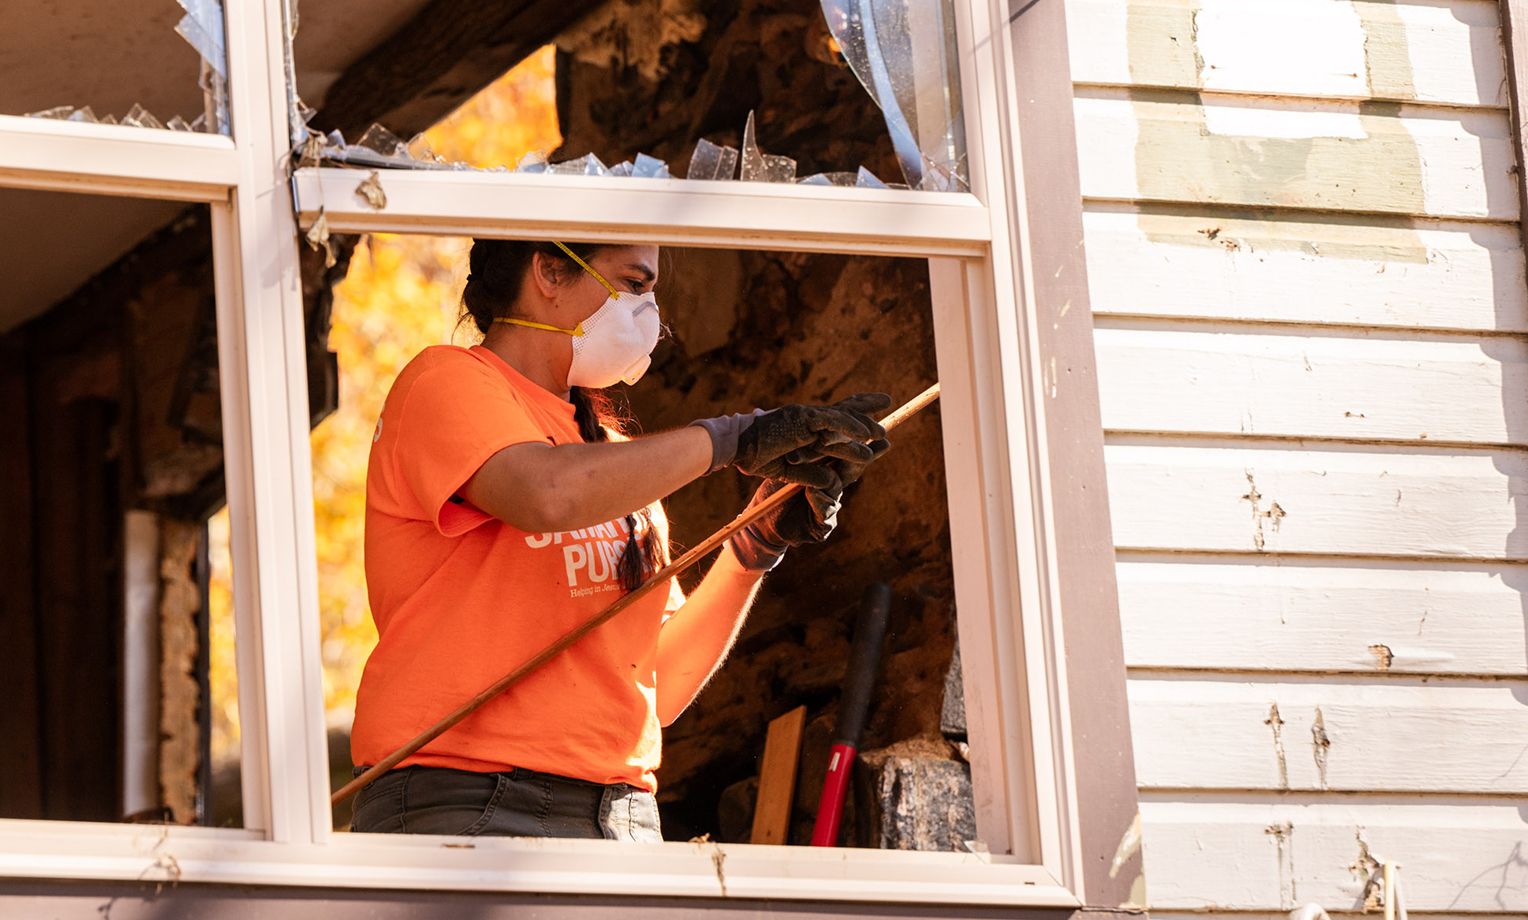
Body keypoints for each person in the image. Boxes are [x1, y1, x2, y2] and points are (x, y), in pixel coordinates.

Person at [348, 239, 890, 841]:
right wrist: (730, 439)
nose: (650, 313)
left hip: (620, 814)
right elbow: (544, 496)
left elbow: (653, 683)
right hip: (467, 794)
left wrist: (751, 550)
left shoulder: (606, 454)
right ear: (550, 271)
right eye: (634, 284)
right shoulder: (445, 381)